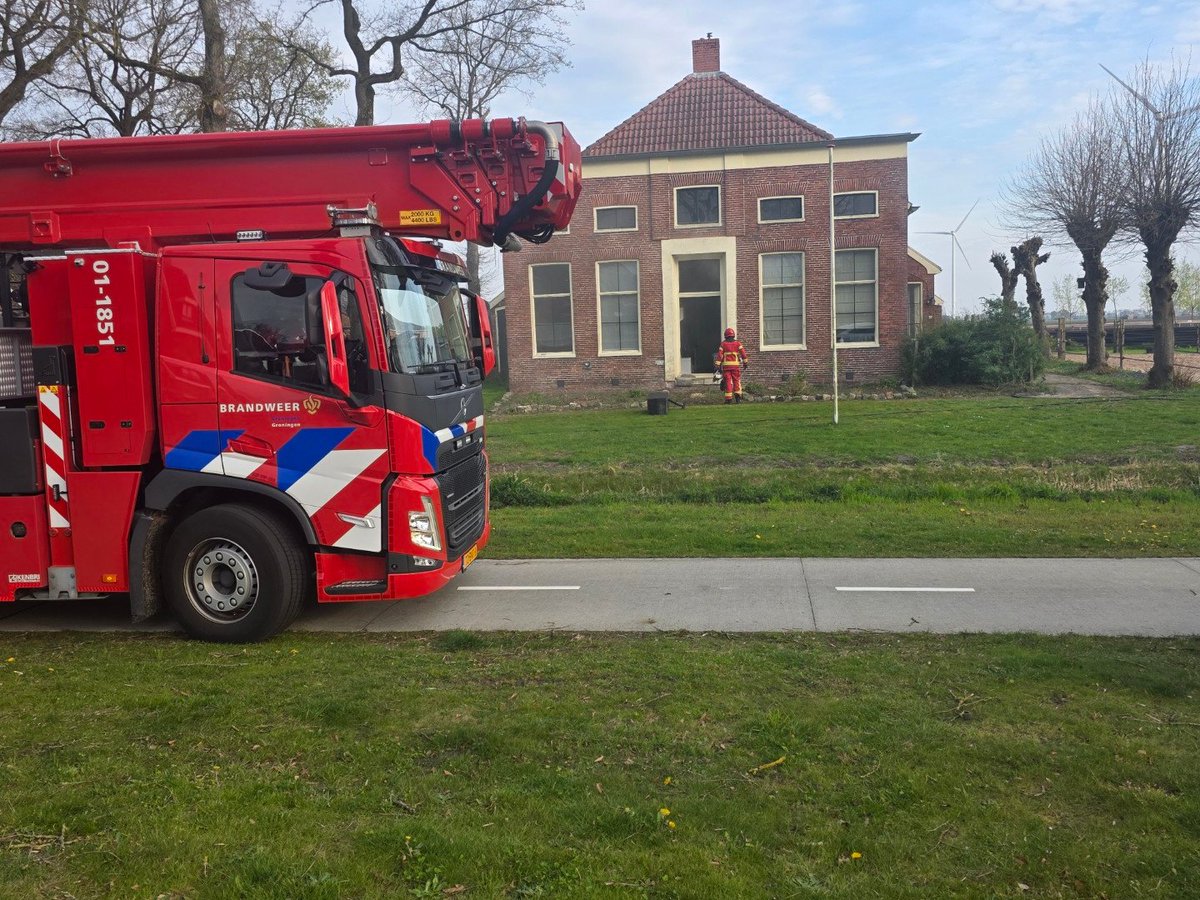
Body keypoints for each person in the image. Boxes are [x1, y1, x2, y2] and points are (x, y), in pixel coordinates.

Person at [714, 327, 748, 403]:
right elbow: (743, 354)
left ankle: (728, 399)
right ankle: (738, 398)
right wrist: (745, 363)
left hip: (726, 367)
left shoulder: (723, 344)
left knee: (728, 382)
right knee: (736, 381)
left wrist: (717, 365)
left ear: (725, 335)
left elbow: (719, 355)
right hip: (735, 366)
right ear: (733, 335)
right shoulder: (738, 343)